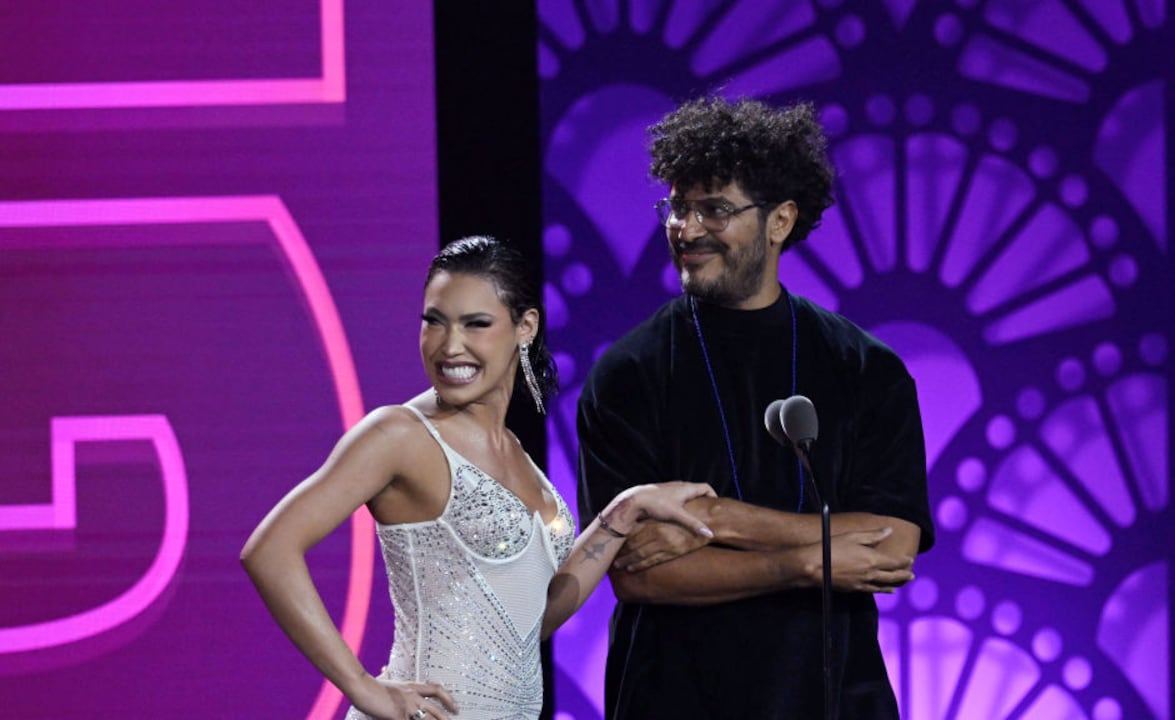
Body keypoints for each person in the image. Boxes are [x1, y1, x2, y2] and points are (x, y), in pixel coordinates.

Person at [242, 236, 716, 720]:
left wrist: (623, 512)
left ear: (525, 327)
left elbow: (533, 619)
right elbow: (270, 550)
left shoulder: (516, 453)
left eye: (476, 325)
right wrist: (362, 687)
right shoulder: (399, 435)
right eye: (434, 322)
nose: (450, 346)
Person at [576, 96, 936, 719]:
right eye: (677, 208)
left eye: (713, 209)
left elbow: (891, 545)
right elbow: (637, 571)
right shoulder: (628, 373)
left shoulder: (866, 369)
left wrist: (716, 519)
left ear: (780, 221)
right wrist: (811, 563)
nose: (685, 229)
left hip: (830, 700)